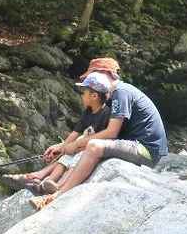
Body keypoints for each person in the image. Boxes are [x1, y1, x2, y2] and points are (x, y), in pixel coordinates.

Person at [33, 57, 169, 209]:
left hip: (146, 149)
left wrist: (77, 144)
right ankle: (53, 185)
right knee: (88, 145)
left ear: (105, 73)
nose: (89, 79)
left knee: (93, 146)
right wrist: (63, 146)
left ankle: (58, 195)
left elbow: (111, 132)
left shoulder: (121, 92)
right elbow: (95, 132)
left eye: (92, 74)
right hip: (134, 146)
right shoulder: (109, 97)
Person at [6, 72, 112, 193]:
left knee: (76, 161)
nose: (82, 95)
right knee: (65, 156)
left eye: (84, 93)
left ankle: (60, 186)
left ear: (94, 96)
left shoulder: (106, 114)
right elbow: (75, 133)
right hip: (80, 145)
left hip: (88, 149)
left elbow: (101, 140)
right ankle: (48, 181)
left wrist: (75, 148)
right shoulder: (87, 111)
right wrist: (62, 148)